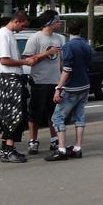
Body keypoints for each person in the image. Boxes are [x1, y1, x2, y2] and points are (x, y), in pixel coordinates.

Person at [0, 10, 38, 163]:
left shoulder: (8, 34)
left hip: (13, 78)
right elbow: (4, 60)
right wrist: (24, 62)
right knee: (14, 116)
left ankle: (5, 149)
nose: (24, 29)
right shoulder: (3, 35)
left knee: (11, 115)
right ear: (17, 21)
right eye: (24, 26)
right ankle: (9, 149)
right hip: (10, 79)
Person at [46, 17, 91, 161]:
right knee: (79, 118)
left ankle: (62, 149)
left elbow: (67, 69)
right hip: (84, 85)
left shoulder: (68, 47)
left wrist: (58, 88)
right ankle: (77, 147)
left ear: (67, 31)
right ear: (81, 31)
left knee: (57, 118)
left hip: (71, 87)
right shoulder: (86, 45)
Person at [24, 10, 64, 154]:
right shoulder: (35, 38)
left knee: (53, 114)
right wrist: (47, 53)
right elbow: (29, 60)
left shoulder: (59, 39)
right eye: (58, 21)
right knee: (35, 114)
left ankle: (54, 140)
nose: (60, 23)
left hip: (55, 82)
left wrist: (62, 79)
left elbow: (61, 60)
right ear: (50, 22)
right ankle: (33, 141)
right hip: (39, 81)